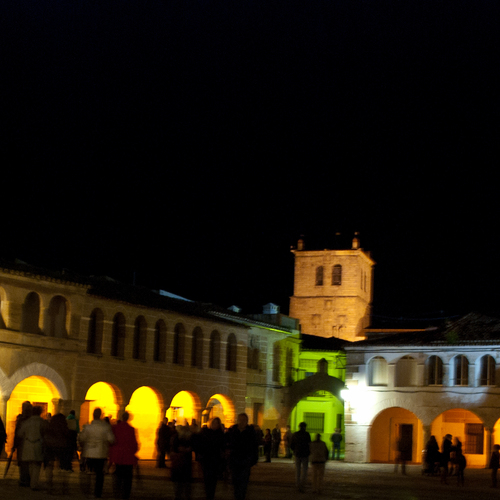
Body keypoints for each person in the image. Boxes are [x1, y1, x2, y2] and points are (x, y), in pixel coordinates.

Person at [79, 407, 115, 498]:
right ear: (101, 415)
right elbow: (111, 439)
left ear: (93, 415)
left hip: (89, 453)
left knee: (88, 472)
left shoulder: (88, 427)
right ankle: (97, 493)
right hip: (100, 453)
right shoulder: (105, 427)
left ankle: (86, 491)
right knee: (99, 474)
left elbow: (81, 438)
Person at [225, 413, 259, 500]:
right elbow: (226, 443)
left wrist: (252, 460)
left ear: (247, 421)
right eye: (240, 420)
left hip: (245, 462)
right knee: (235, 483)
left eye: (244, 420)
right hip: (234, 461)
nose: (241, 422)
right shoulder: (232, 430)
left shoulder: (250, 432)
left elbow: (254, 447)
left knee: (243, 484)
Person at [109, 411, 139, 500]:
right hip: (128, 458)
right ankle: (125, 496)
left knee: (118, 478)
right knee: (127, 480)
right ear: (128, 418)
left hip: (118, 457)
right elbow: (135, 445)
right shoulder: (131, 429)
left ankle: (117, 495)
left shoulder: (115, 428)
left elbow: (112, 442)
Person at [18, 405, 47, 491]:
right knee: (37, 465)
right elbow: (46, 432)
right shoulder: (42, 422)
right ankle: (34, 483)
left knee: (30, 464)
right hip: (38, 444)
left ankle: (32, 483)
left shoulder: (27, 422)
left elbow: (20, 433)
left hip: (28, 444)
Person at [197, 417, 226, 500]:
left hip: (216, 461)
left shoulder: (220, 434)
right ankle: (208, 495)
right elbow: (200, 445)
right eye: (213, 423)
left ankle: (210, 495)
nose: (215, 425)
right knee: (207, 480)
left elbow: (223, 447)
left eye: (217, 423)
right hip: (206, 460)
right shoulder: (205, 433)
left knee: (213, 481)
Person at [44, 412, 71, 494]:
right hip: (62, 448)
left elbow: (46, 437)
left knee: (49, 467)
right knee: (62, 468)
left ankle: (49, 485)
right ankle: (63, 487)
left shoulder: (50, 428)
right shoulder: (65, 429)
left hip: (50, 447)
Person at [170, 424, 193, 500]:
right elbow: (175, 449)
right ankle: (180, 495)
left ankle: (181, 495)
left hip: (182, 464)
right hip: (181, 463)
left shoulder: (187, 438)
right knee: (181, 484)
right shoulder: (177, 438)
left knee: (182, 484)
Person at [14, 401, 33, 487]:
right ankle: (26, 479)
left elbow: (18, 433)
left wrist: (15, 445)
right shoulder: (32, 419)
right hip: (28, 443)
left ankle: (24, 479)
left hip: (23, 443)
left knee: (23, 462)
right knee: (26, 462)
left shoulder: (22, 420)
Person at [291, 422, 311, 493]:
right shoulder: (307, 434)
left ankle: (298, 484)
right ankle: (302, 484)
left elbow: (292, 445)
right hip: (305, 454)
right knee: (305, 470)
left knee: (298, 470)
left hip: (297, 454)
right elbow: (309, 444)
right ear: (305, 427)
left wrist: (295, 450)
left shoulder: (295, 434)